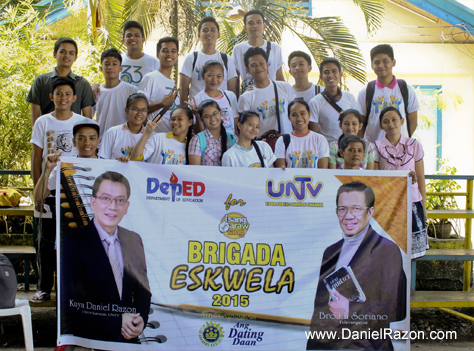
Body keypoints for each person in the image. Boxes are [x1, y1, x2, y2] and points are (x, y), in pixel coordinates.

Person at [307, 182, 407, 350]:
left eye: (356, 209)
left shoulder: (387, 250)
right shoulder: (330, 252)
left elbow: (396, 308)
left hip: (368, 346)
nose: (348, 216)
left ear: (370, 212)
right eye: (342, 209)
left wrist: (350, 309)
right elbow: (320, 311)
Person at [61, 171, 151, 342]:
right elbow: (70, 303)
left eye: (119, 200)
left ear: (126, 206)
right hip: (92, 337)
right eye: (106, 198)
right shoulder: (74, 242)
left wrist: (141, 320)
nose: (113, 206)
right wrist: (116, 322)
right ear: (93, 202)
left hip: (129, 337)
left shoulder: (134, 239)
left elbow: (143, 291)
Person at [31, 118, 101, 303]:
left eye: (92, 138)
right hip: (70, 240)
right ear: (73, 141)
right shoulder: (63, 167)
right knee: (70, 287)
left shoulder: (109, 166)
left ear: (98, 141)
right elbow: (39, 196)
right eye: (82, 138)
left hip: (100, 240)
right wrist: (47, 169)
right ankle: (66, 330)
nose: (87, 143)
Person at [375, 106, 427, 258]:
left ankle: (410, 282)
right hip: (387, 203)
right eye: (386, 121)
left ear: (402, 121)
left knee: (413, 252)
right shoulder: (376, 147)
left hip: (412, 201)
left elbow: (421, 177)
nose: (391, 124)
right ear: (381, 126)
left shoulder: (414, 145)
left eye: (394, 120)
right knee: (388, 250)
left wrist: (424, 206)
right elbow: (376, 178)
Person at [358, 44, 419, 142]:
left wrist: (400, 142)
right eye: (376, 62)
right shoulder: (365, 93)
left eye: (385, 61)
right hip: (374, 151)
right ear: (372, 66)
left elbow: (413, 122)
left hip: (400, 152)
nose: (381, 65)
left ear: (393, 62)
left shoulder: (406, 90)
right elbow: (360, 125)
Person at [27, 37, 95, 124]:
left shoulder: (82, 84)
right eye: (63, 51)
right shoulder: (41, 81)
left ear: (75, 57)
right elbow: (35, 115)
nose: (67, 55)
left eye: (71, 53)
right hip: (48, 134)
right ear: (55, 54)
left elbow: (87, 117)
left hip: (73, 134)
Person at [238, 47, 294, 147]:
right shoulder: (246, 97)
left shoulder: (285, 87)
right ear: (248, 70)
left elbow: (294, 114)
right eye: (253, 65)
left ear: (267, 65)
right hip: (263, 148)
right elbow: (245, 130)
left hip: (289, 145)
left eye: (261, 63)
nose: (258, 67)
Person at [180, 16, 238, 104]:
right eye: (205, 30)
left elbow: (233, 90)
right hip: (197, 111)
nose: (209, 33)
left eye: (212, 30)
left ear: (218, 35)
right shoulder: (191, 59)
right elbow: (183, 90)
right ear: (199, 35)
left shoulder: (227, 60)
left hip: (221, 113)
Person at [231, 9, 285, 93]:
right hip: (249, 95)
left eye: (258, 22)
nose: (255, 26)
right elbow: (236, 78)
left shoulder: (275, 48)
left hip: (271, 94)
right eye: (250, 23)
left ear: (264, 26)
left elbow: (279, 77)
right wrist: (236, 101)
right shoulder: (238, 49)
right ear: (245, 27)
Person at [308, 57, 360, 144]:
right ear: (321, 77)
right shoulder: (315, 102)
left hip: (348, 148)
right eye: (326, 72)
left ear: (340, 74)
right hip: (327, 150)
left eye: (334, 71)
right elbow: (314, 134)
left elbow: (356, 124)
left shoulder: (349, 97)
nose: (330, 75)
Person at [138, 37, 180, 133]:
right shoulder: (150, 78)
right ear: (158, 54)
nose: (169, 54)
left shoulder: (172, 83)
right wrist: (161, 104)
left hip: (168, 140)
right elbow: (138, 109)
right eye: (165, 50)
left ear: (177, 56)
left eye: (173, 51)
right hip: (152, 139)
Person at [94, 48, 138, 137]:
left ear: (120, 68)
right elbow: (88, 117)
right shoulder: (96, 92)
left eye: (114, 64)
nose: (110, 67)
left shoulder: (131, 90)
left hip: (124, 140)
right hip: (101, 141)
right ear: (101, 68)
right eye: (107, 64)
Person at [187, 60, 239, 134]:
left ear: (223, 77)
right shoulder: (197, 100)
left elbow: (235, 123)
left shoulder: (230, 96)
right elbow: (198, 132)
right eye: (210, 75)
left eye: (219, 76)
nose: (214, 79)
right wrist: (197, 116)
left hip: (230, 142)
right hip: (209, 144)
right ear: (202, 76)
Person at [274, 100, 329, 169]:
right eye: (294, 115)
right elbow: (281, 170)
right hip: (291, 180)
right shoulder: (282, 141)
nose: (299, 118)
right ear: (289, 118)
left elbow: (323, 171)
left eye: (302, 113)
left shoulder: (320, 139)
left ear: (309, 115)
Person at [98, 93, 149, 160]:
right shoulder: (112, 133)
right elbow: (102, 159)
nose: (139, 113)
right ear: (126, 111)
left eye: (143, 110)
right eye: (135, 109)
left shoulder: (152, 136)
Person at [188, 99, 237, 166]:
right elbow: (195, 171)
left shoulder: (233, 138)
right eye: (207, 116)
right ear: (202, 120)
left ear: (221, 113)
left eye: (215, 113)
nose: (212, 118)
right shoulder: (197, 140)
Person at [120, 20, 160, 86]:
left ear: (143, 40)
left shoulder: (154, 63)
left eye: (137, 35)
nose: (132, 38)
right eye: (129, 35)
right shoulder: (117, 61)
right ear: (123, 40)